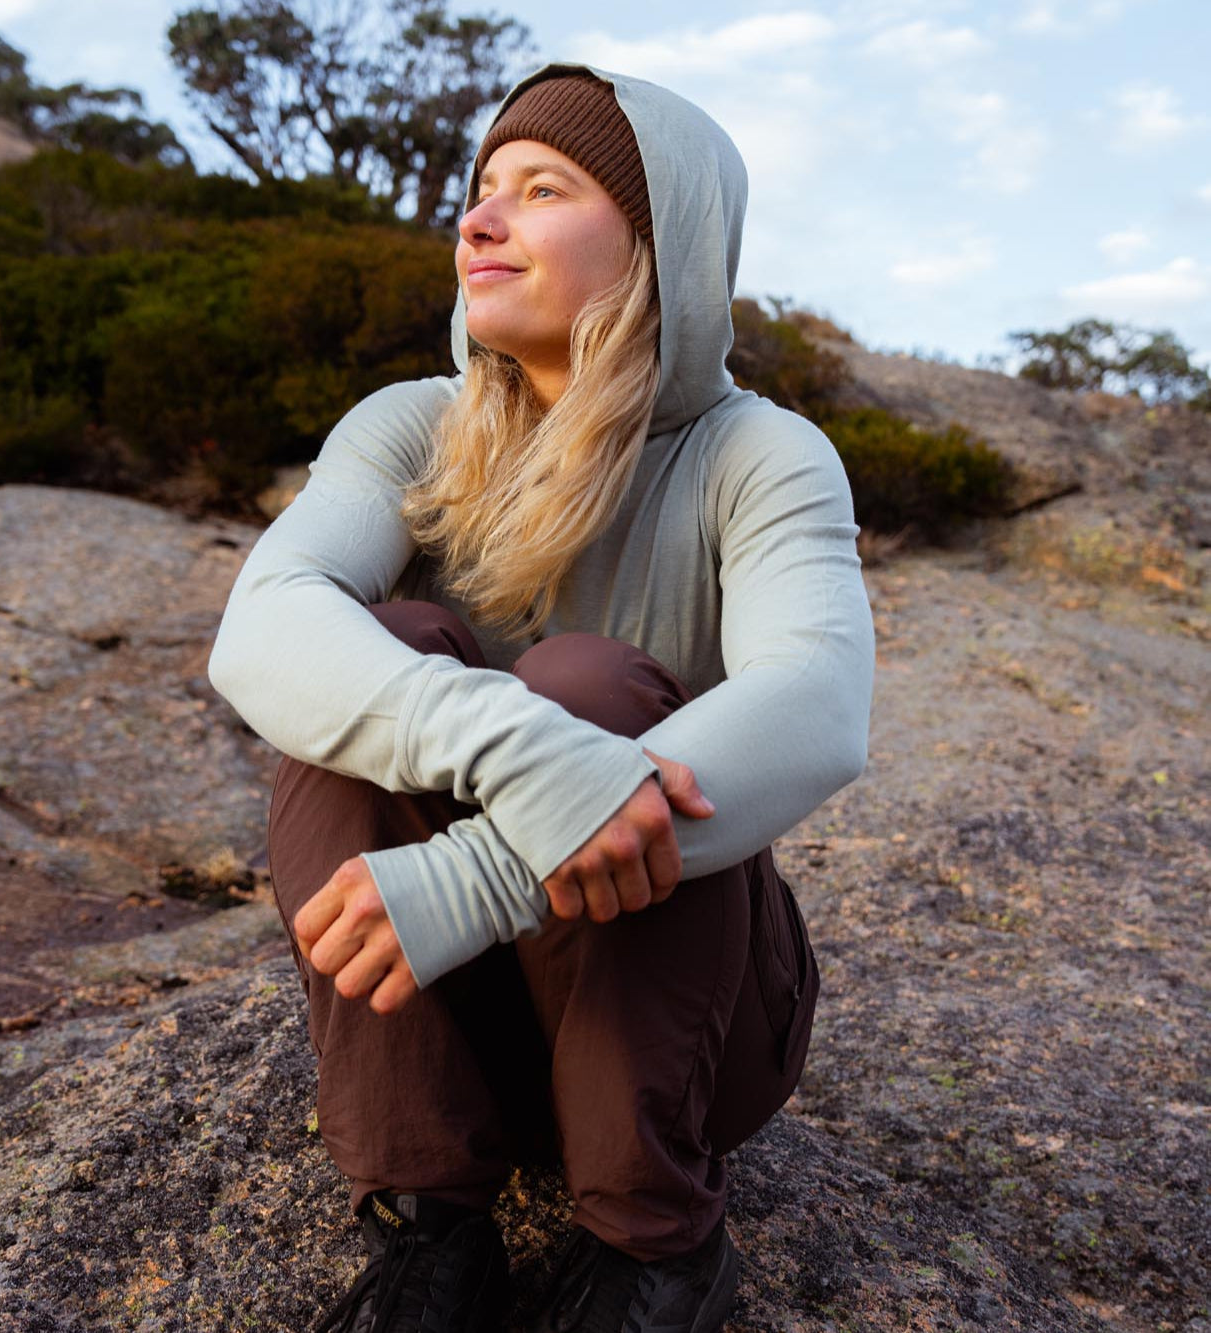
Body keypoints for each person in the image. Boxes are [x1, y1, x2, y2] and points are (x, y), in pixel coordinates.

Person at [209, 63, 874, 1333]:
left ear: (657, 237)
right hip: (448, 1017)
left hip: (686, 1034)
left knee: (589, 681)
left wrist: (484, 876)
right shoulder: (410, 427)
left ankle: (653, 1242)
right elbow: (267, 621)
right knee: (383, 639)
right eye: (479, 190)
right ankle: (427, 1218)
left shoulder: (758, 453)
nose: (477, 219)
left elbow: (817, 701)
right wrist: (512, 749)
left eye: (542, 188)